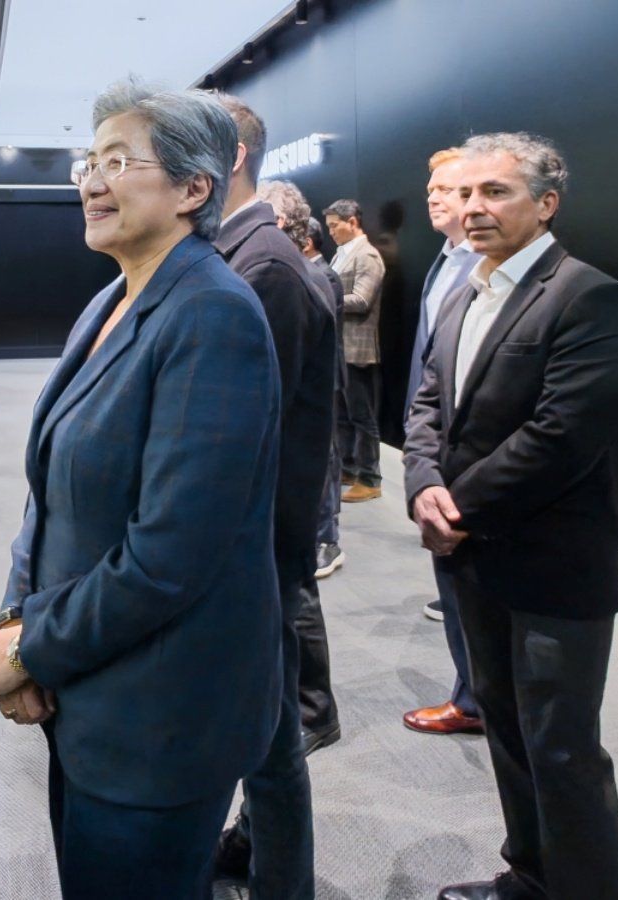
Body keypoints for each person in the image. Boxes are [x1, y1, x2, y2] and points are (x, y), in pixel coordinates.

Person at [0, 81, 283, 900]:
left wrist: (33, 649)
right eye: (90, 162)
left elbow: (170, 554)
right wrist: (15, 620)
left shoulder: (214, 314)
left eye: (119, 162)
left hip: (160, 714)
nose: (92, 183)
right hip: (90, 682)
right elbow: (49, 496)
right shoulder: (111, 300)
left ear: (193, 189)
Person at [403, 132, 618, 900]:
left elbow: (563, 435)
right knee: (506, 731)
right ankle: (531, 879)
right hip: (475, 562)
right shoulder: (466, 290)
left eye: (495, 191)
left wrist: (457, 506)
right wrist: (422, 484)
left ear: (546, 204)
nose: (473, 207)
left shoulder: (590, 296)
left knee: (562, 752)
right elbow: (429, 405)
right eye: (465, 192)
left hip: (553, 569)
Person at [212, 95, 335, 897]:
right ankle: (257, 853)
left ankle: (279, 878)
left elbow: (252, 434)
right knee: (266, 731)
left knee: (273, 739)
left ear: (227, 157)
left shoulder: (263, 264)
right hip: (247, 546)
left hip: (254, 549)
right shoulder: (235, 252)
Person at [256, 181, 343, 757]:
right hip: (292, 457)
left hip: (295, 461)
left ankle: (316, 711)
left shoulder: (299, 278)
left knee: (296, 589)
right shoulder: (295, 273)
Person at [401, 147, 485, 737]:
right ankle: (473, 695)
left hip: (469, 456)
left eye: (447, 188)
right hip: (436, 447)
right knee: (454, 584)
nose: (433, 196)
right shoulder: (445, 260)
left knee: (473, 587)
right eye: (431, 188)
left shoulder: (485, 267)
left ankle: (478, 701)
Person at [323, 199, 385, 502]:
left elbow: (362, 299)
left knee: (362, 416)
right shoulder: (342, 254)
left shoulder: (367, 255)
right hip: (341, 347)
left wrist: (323, 294)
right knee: (343, 415)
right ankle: (348, 467)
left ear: (352, 222)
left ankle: (371, 478)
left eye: (335, 226)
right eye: (329, 227)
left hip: (357, 349)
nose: (331, 232)